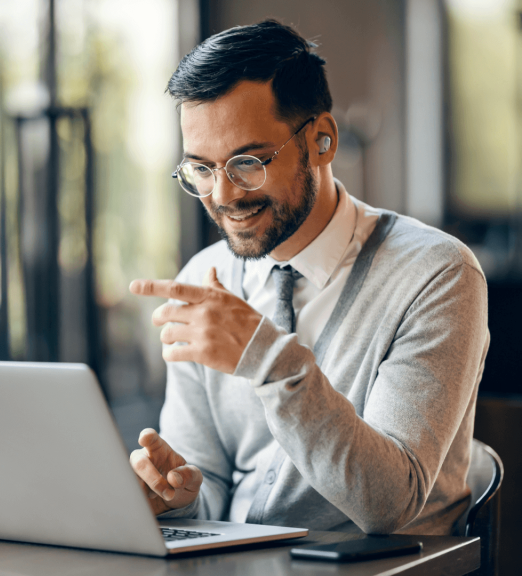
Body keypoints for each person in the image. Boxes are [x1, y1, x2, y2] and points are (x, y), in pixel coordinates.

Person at [128, 20, 489, 535]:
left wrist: (266, 358)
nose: (224, 196)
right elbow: (206, 483)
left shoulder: (436, 274)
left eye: (248, 162)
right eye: (201, 170)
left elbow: (389, 503)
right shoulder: (204, 278)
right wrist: (179, 495)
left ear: (322, 140)